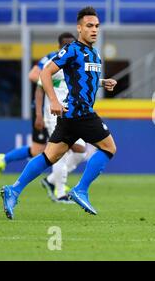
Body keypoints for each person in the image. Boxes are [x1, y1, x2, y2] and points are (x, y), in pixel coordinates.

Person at [0, 6, 117, 219]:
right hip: (80, 112)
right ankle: (80, 189)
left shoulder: (94, 53)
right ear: (79, 28)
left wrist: (102, 83)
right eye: (89, 26)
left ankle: (14, 190)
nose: (94, 30)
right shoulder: (72, 49)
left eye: (97, 26)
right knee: (109, 148)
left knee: (49, 156)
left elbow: (80, 80)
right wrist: (53, 100)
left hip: (70, 115)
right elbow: (45, 73)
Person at [36, 32, 90, 203]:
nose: (68, 47)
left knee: (81, 151)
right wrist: (38, 114)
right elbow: (39, 89)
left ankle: (51, 180)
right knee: (59, 151)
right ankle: (60, 193)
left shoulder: (75, 64)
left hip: (72, 114)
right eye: (65, 44)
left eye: (71, 44)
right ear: (60, 46)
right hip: (54, 115)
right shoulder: (53, 63)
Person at [0, 47, 56, 180]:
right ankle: (56, 184)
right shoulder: (53, 57)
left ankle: (56, 182)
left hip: (58, 110)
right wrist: (53, 84)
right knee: (41, 150)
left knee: (44, 149)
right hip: (43, 109)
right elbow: (32, 75)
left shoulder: (76, 60)